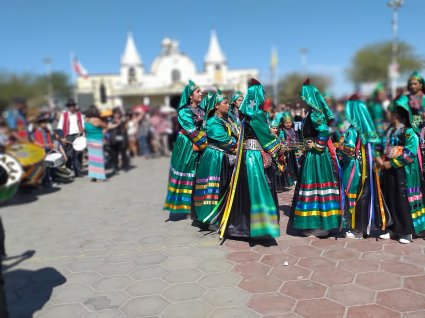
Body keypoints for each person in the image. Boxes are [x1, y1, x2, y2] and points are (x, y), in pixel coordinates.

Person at [222, 78, 285, 240]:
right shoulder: (257, 115)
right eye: (263, 93)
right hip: (254, 157)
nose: (264, 96)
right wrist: (280, 150)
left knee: (245, 191)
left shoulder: (245, 115)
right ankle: (260, 229)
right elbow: (266, 139)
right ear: (257, 96)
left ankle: (241, 227)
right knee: (259, 190)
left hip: (245, 156)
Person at [290, 79, 341, 237]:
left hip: (317, 157)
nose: (301, 100)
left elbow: (324, 131)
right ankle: (316, 223)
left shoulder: (315, 113)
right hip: (313, 155)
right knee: (314, 187)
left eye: (303, 97)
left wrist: (317, 146)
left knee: (317, 186)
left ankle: (321, 226)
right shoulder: (311, 113)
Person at [376, 95, 425, 244]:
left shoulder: (409, 131)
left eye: (391, 113)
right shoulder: (390, 130)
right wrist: (379, 158)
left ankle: (406, 231)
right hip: (388, 170)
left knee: (402, 198)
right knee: (390, 196)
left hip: (403, 171)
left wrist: (391, 163)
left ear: (397, 114)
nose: (389, 115)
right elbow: (381, 145)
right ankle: (392, 228)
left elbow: (410, 152)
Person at [340, 95, 389, 239]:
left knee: (356, 197)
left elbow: (349, 150)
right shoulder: (370, 129)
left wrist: (340, 146)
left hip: (356, 170)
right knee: (367, 197)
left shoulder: (353, 130)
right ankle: (367, 227)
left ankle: (356, 230)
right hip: (370, 169)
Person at [163, 80, 207, 220]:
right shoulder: (184, 111)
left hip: (200, 143)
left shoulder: (201, 110)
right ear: (190, 96)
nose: (201, 93)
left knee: (199, 174)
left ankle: (197, 206)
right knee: (187, 172)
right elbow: (191, 129)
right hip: (187, 144)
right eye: (198, 91)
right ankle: (184, 207)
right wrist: (204, 141)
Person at [194, 90, 237, 229]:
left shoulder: (228, 119)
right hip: (214, 158)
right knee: (213, 188)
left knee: (224, 187)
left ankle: (223, 216)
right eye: (225, 103)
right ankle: (210, 219)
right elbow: (225, 140)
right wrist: (239, 144)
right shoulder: (213, 122)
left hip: (225, 156)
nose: (228, 105)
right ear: (217, 106)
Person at [84, 105, 114, 182]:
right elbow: (105, 126)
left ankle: (93, 176)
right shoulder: (96, 120)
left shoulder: (86, 120)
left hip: (89, 140)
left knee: (92, 159)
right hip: (97, 141)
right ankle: (99, 177)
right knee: (98, 159)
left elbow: (84, 129)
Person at [57, 98, 85, 177]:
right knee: (69, 154)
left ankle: (78, 171)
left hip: (78, 135)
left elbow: (83, 125)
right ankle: (68, 169)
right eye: (70, 106)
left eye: (73, 106)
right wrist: (62, 137)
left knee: (78, 154)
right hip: (68, 136)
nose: (72, 107)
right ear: (68, 107)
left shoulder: (79, 114)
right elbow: (59, 126)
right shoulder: (64, 115)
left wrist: (82, 131)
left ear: (75, 106)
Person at [279, 112, 300, 188]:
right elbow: (282, 140)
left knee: (294, 165)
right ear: (283, 123)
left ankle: (295, 179)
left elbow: (295, 139)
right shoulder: (282, 131)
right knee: (288, 165)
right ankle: (288, 180)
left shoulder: (293, 130)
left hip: (293, 151)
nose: (288, 124)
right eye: (286, 123)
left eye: (289, 123)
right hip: (286, 152)